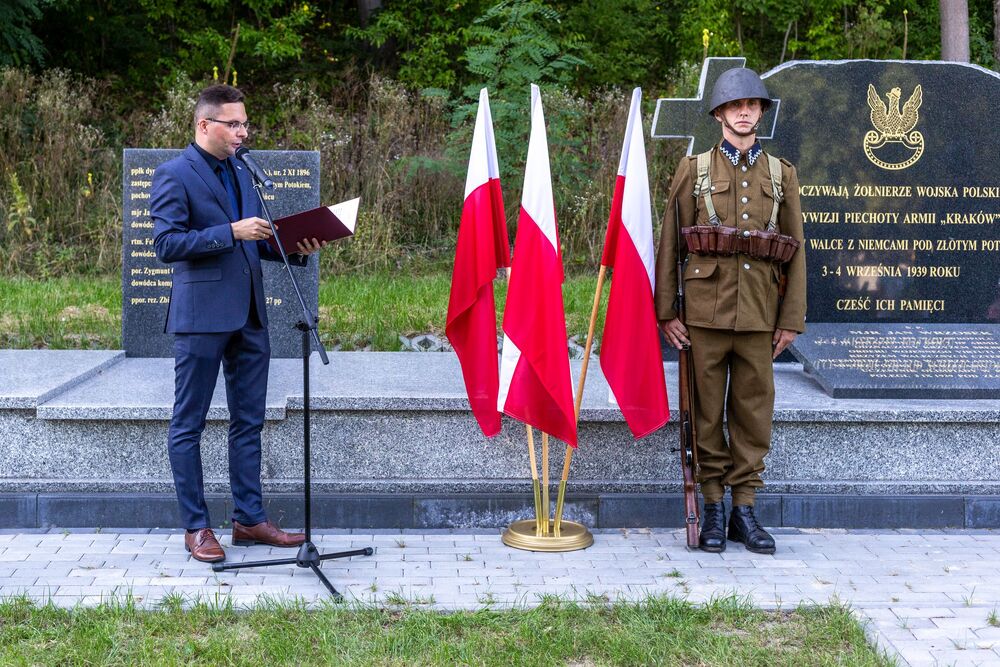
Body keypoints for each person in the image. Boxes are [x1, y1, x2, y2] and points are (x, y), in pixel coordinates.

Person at [152, 84, 325, 563]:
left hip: (250, 315)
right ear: (204, 125)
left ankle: (249, 521)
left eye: (245, 124)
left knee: (248, 421)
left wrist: (294, 246)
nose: (243, 132)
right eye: (233, 124)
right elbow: (167, 245)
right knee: (188, 423)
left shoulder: (243, 172)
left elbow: (255, 241)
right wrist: (230, 231)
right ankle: (197, 528)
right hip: (201, 318)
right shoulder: (173, 174)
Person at [654, 68, 806, 554]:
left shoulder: (782, 174)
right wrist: (666, 312)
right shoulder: (694, 170)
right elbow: (669, 244)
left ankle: (744, 509)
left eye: (753, 104)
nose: (745, 112)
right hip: (704, 313)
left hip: (761, 312)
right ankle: (714, 504)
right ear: (719, 113)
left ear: (761, 112)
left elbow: (796, 248)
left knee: (753, 411)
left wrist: (790, 318)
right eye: (735, 105)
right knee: (704, 411)